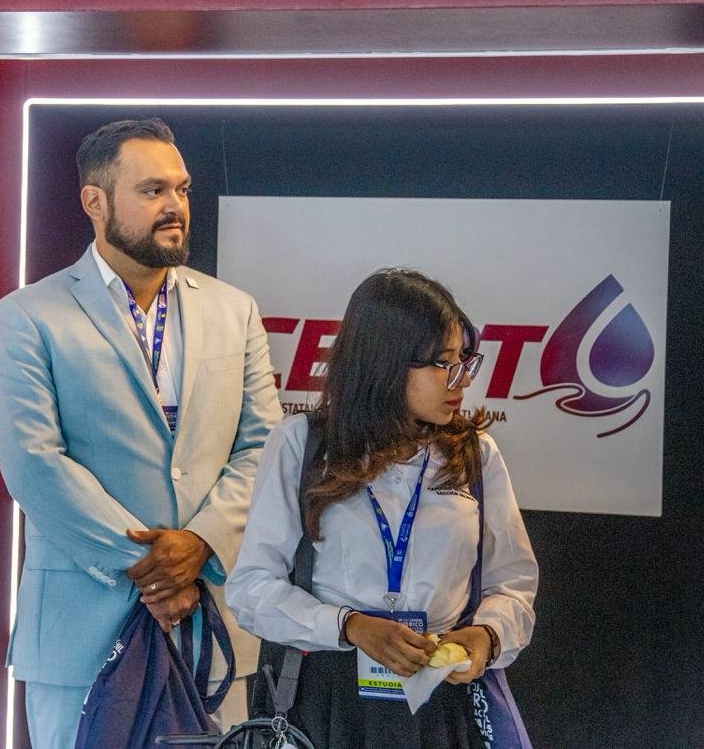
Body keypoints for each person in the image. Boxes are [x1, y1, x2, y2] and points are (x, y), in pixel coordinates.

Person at [0, 118, 283, 748]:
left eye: (181, 189)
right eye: (152, 190)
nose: (175, 205)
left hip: (210, 626)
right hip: (82, 632)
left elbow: (264, 446)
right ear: (94, 202)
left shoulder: (234, 311)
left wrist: (200, 544)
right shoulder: (31, 314)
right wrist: (151, 567)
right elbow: (33, 461)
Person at [226, 268, 538, 748]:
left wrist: (487, 637)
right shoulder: (302, 445)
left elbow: (513, 585)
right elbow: (251, 589)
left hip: (441, 697)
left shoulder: (476, 455)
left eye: (463, 361)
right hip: (329, 697)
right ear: (383, 363)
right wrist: (350, 627)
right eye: (441, 363)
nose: (460, 379)